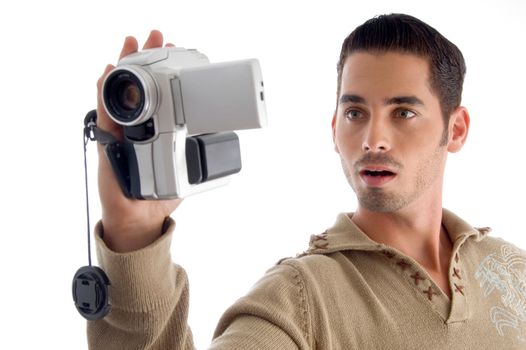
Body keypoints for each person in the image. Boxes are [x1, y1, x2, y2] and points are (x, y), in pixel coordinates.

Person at [87, 14, 526, 349]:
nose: (373, 139)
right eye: (355, 113)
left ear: (458, 129)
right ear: (335, 127)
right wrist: (134, 238)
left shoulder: (512, 270)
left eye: (403, 113)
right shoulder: (299, 299)